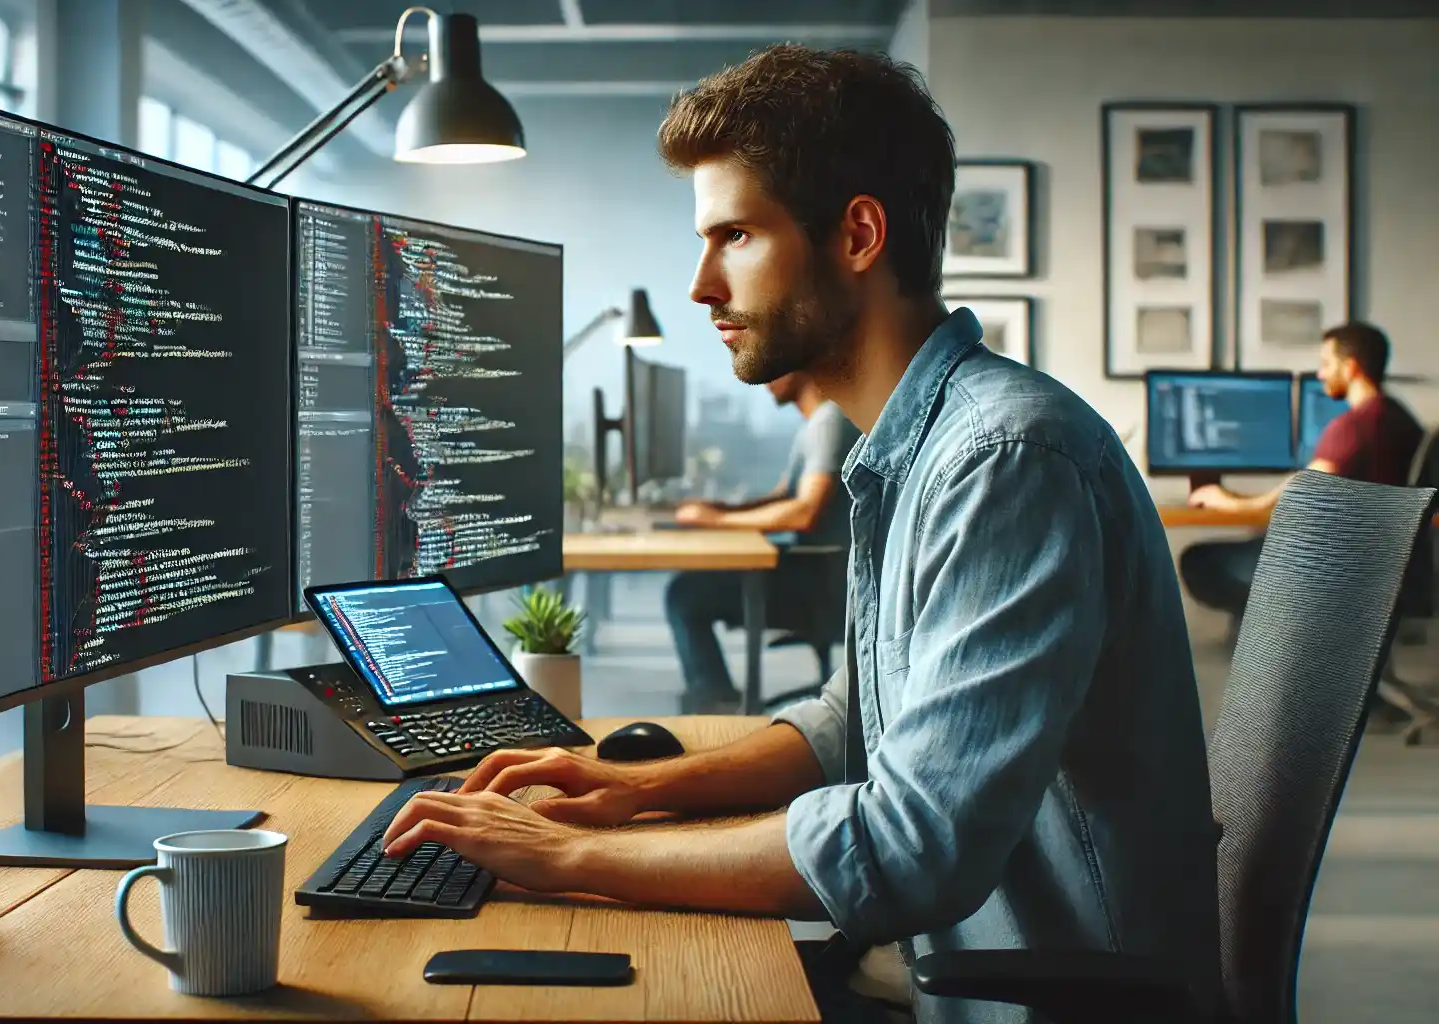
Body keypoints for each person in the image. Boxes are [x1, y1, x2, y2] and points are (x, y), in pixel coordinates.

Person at [377, 45, 1220, 1024]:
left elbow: (911, 845)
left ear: (857, 234)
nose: (699, 285)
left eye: (732, 235)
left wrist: (571, 856)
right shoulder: (918, 445)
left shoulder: (1003, 461)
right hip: (950, 967)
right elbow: (854, 716)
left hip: (1040, 999)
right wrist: (627, 787)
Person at [1181, 322, 1424, 622]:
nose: (1320, 374)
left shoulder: (1352, 427)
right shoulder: (1404, 421)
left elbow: (1300, 498)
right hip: (1389, 570)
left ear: (1350, 368)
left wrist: (1233, 504)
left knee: (1199, 561)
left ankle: (1272, 647)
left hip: (1334, 573)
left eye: (1326, 364)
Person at [666, 370, 860, 714]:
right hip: (817, 571)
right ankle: (715, 697)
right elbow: (784, 495)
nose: (764, 378)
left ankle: (717, 707)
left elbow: (804, 512)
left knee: (684, 594)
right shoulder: (815, 422)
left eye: (776, 367)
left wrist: (719, 521)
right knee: (689, 587)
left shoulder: (829, 421)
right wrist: (718, 511)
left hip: (825, 589)